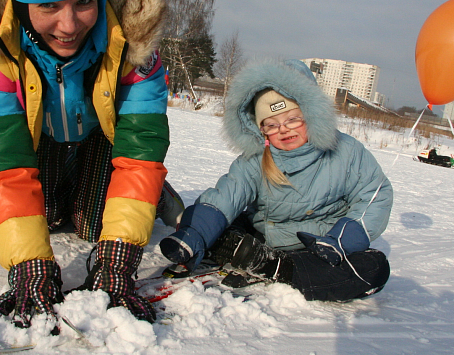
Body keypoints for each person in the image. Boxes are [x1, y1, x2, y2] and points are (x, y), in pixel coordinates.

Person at [0, 0, 184, 331]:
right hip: (38, 144)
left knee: (92, 227)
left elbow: (139, 151)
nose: (69, 25)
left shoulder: (134, 45)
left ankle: (154, 193)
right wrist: (28, 264)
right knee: (41, 219)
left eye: (84, 1)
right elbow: (5, 165)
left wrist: (118, 258)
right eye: (49, 6)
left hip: (102, 141)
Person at [160, 59, 392, 302]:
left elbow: (375, 196)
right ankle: (239, 250)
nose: (283, 129)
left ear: (312, 115)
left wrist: (341, 241)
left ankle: (272, 266)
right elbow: (227, 195)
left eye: (292, 119)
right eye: (271, 124)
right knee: (226, 222)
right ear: (261, 130)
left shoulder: (346, 151)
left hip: (320, 249)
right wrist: (193, 232)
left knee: (373, 268)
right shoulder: (257, 158)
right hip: (263, 236)